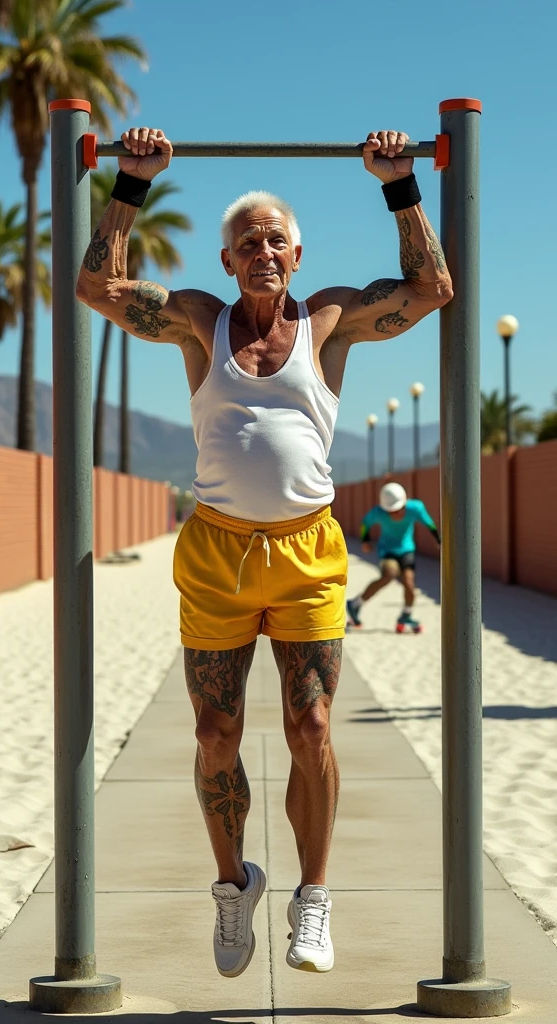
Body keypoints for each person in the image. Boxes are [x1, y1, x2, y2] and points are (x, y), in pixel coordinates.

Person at [76, 125, 452, 977]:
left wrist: (397, 182)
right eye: (248, 242)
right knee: (216, 733)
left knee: (310, 722)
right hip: (215, 552)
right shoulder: (200, 325)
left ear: (297, 251)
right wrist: (131, 179)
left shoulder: (328, 321)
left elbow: (432, 288)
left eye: (276, 238)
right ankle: (232, 886)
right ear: (227, 260)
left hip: (309, 550)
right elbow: (98, 287)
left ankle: (312, 898)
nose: (264, 250)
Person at [346, 482, 441, 633]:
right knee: (389, 575)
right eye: (392, 511)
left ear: (405, 503)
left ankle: (406, 614)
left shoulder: (415, 508)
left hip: (407, 550)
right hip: (387, 550)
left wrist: (438, 540)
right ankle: (356, 603)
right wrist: (365, 540)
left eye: (400, 509)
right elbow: (365, 523)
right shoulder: (378, 512)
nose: (397, 513)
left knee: (409, 583)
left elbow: (429, 524)